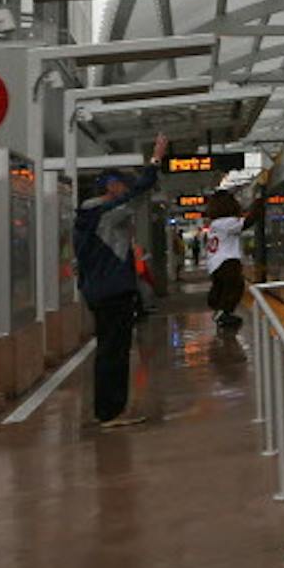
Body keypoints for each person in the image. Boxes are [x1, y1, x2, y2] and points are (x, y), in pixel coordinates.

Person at [75, 133, 167, 429]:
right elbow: (138, 195)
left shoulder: (86, 217)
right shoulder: (104, 213)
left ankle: (107, 409)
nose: (124, 190)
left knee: (108, 349)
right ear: (111, 188)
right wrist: (155, 159)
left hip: (98, 291)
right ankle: (111, 412)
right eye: (120, 185)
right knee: (114, 350)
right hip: (113, 291)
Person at [202, 171, 268, 332]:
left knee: (223, 287)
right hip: (227, 261)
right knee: (235, 287)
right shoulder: (227, 222)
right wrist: (259, 201)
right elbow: (248, 222)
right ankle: (223, 312)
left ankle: (219, 308)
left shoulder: (215, 224)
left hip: (214, 263)